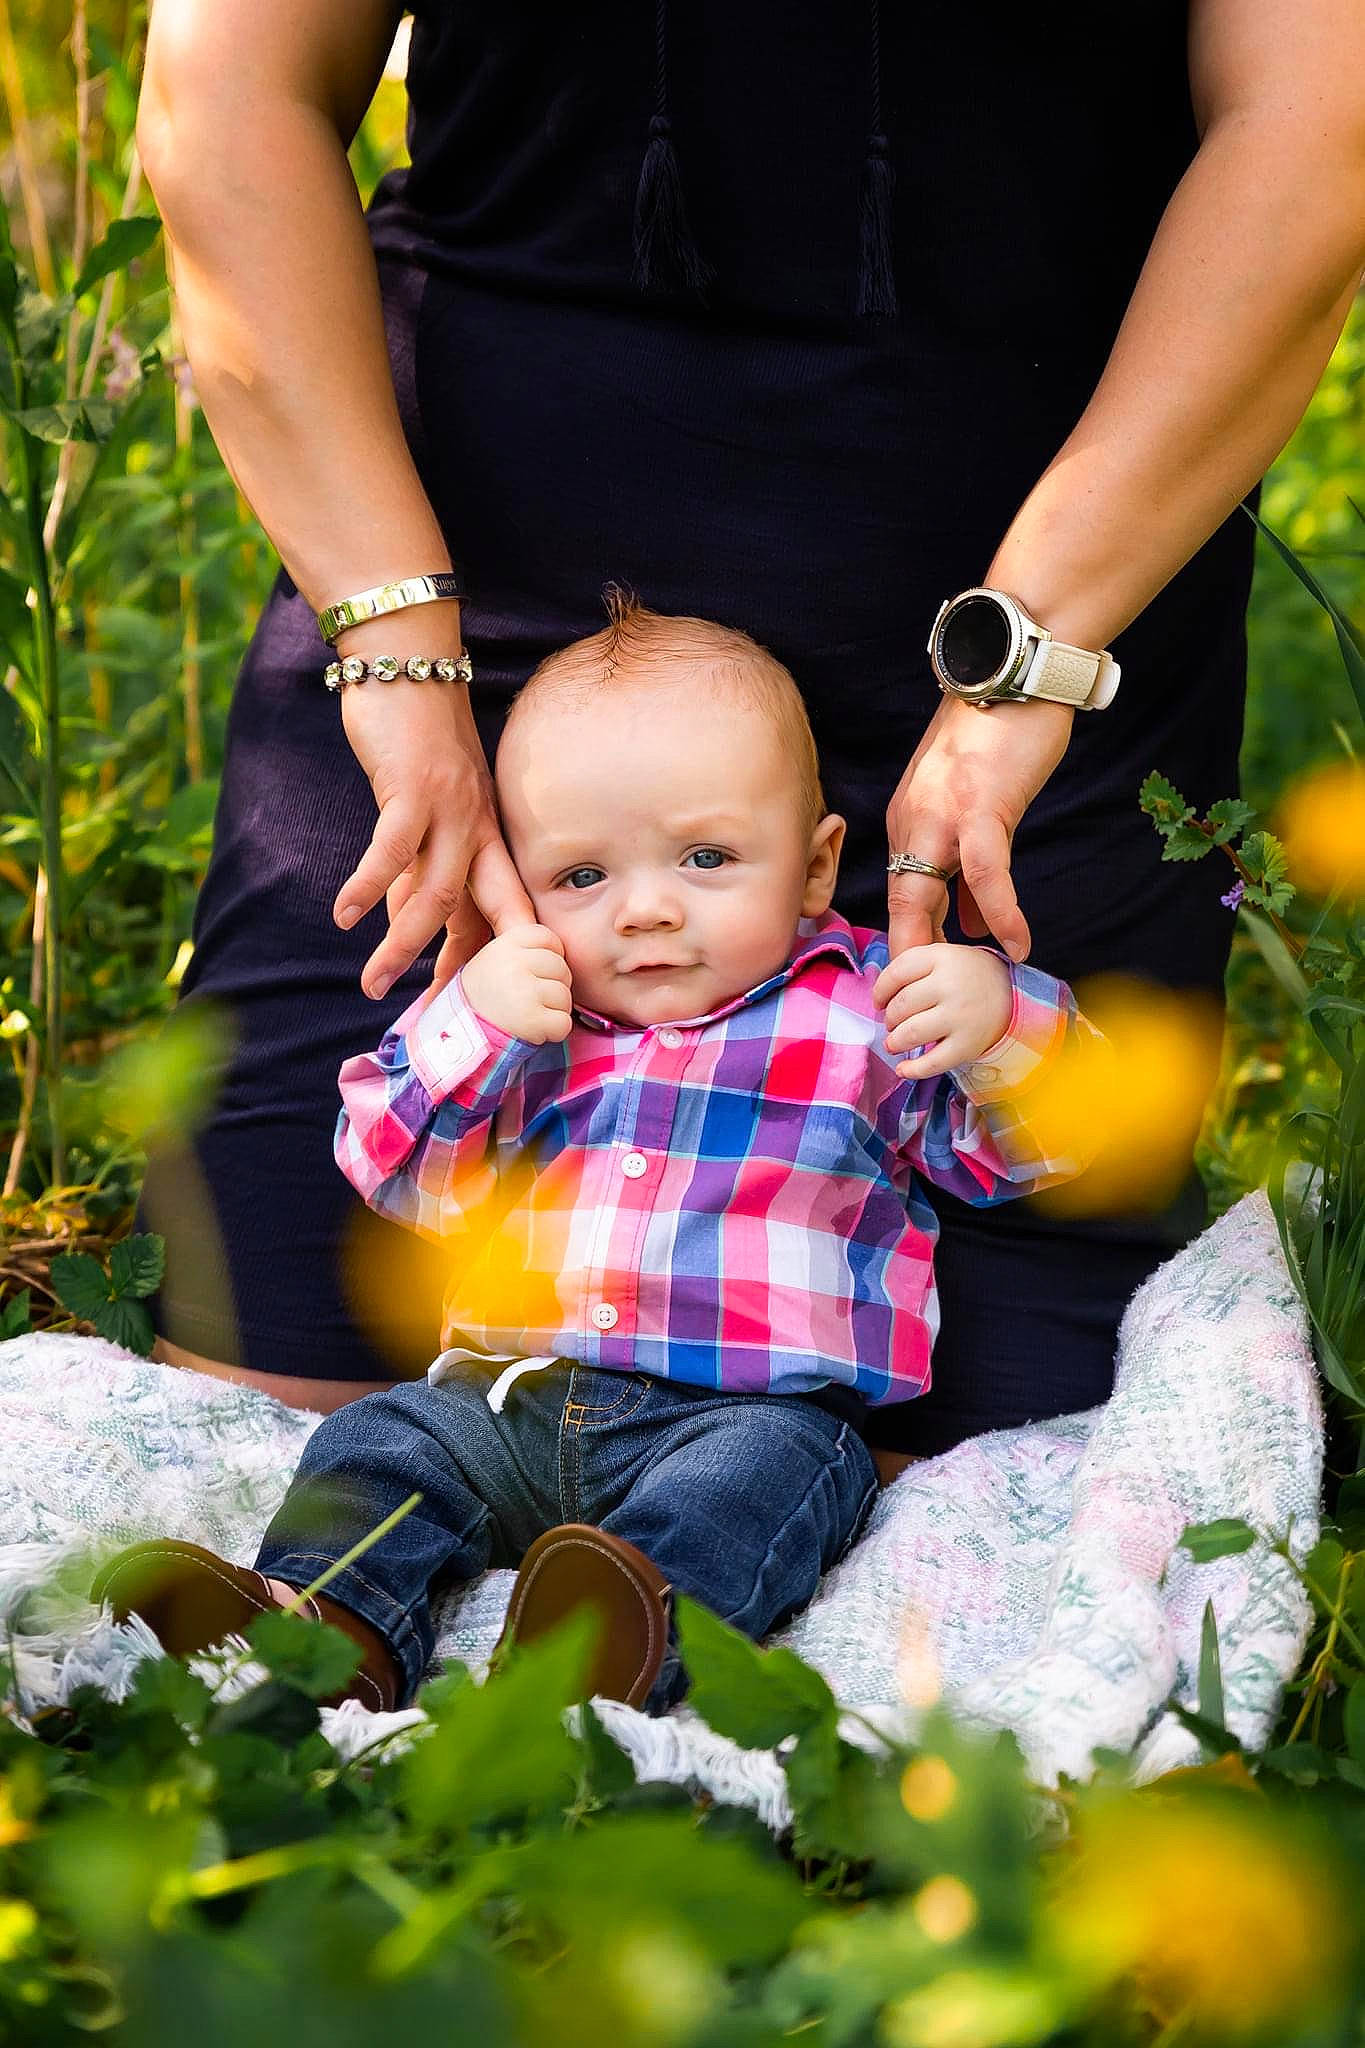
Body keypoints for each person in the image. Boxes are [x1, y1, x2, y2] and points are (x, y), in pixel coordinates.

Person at [134, 0, 1365, 1454]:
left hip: (1026, 650)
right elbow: (234, 85)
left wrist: (1027, 659)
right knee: (278, 1412)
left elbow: (1319, 120)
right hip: (467, 645)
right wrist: (396, 652)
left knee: (963, 1480)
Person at [97, 606, 1104, 1711]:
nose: (647, 909)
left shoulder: (866, 1008)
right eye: (582, 877)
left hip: (748, 1412)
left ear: (817, 866)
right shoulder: (526, 1016)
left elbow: (1042, 1148)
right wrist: (472, 1024)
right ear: (521, 884)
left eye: (708, 856)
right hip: (500, 1399)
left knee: (761, 1490)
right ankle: (322, 1622)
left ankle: (616, 1631)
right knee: (379, 1442)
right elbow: (388, 1165)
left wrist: (999, 1020)